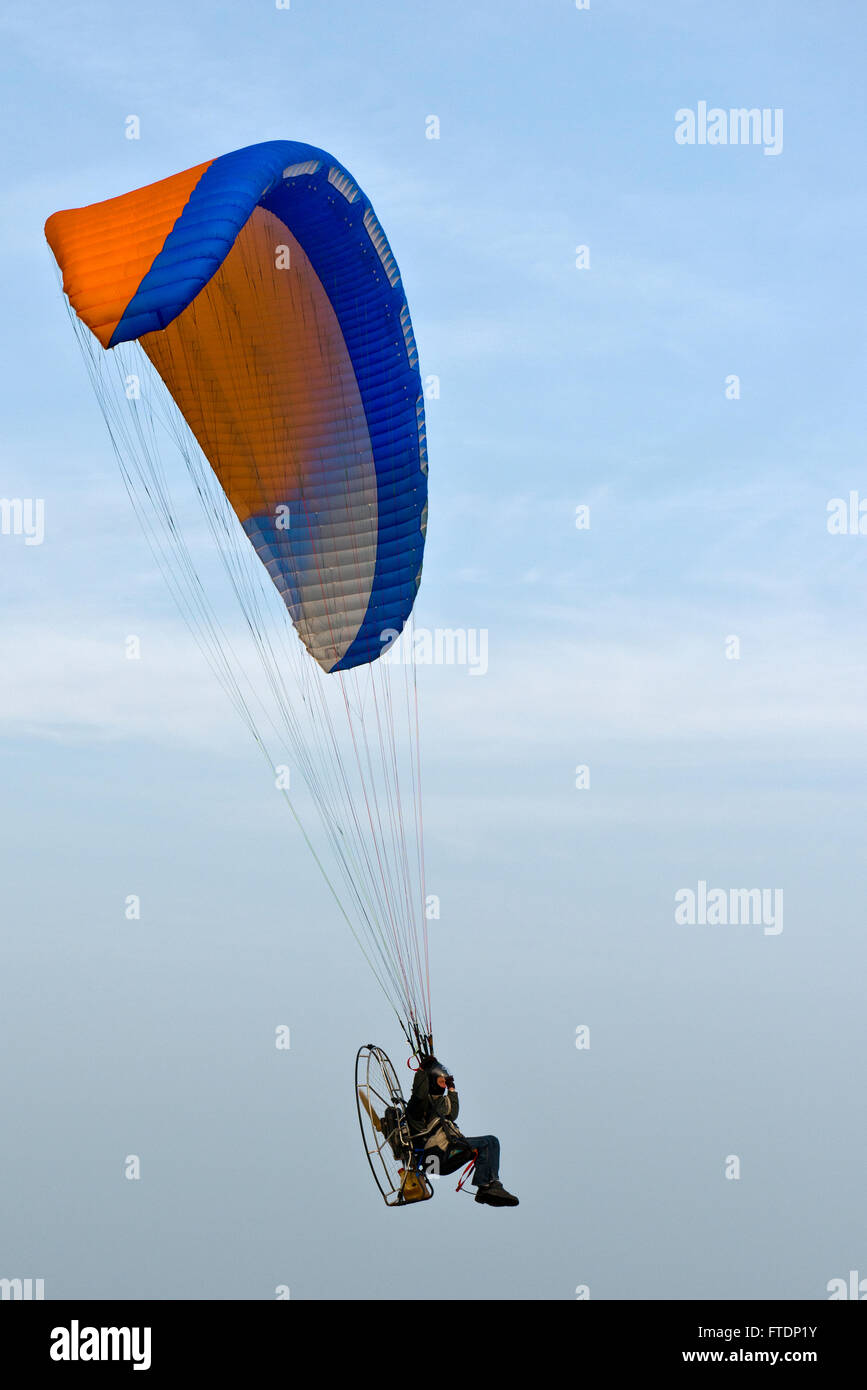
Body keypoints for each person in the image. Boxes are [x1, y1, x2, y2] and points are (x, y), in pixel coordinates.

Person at [406, 1054, 519, 1207]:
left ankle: (489, 1186)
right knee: (488, 1142)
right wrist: (422, 1070)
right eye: (441, 1082)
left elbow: (452, 1113)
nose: (444, 1085)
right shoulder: (419, 1108)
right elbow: (419, 1096)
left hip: (444, 1155)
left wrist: (452, 1090)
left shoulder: (440, 1106)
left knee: (491, 1143)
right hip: (435, 1156)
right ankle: (485, 1185)